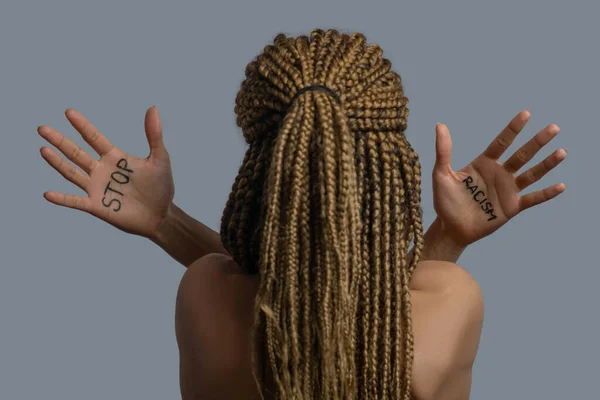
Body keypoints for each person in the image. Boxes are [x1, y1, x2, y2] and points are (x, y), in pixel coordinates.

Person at [37, 29, 567, 400]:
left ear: (261, 164)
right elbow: (374, 312)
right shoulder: (452, 300)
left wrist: (163, 222)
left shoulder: (204, 294)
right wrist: (448, 238)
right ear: (391, 163)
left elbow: (275, 293)